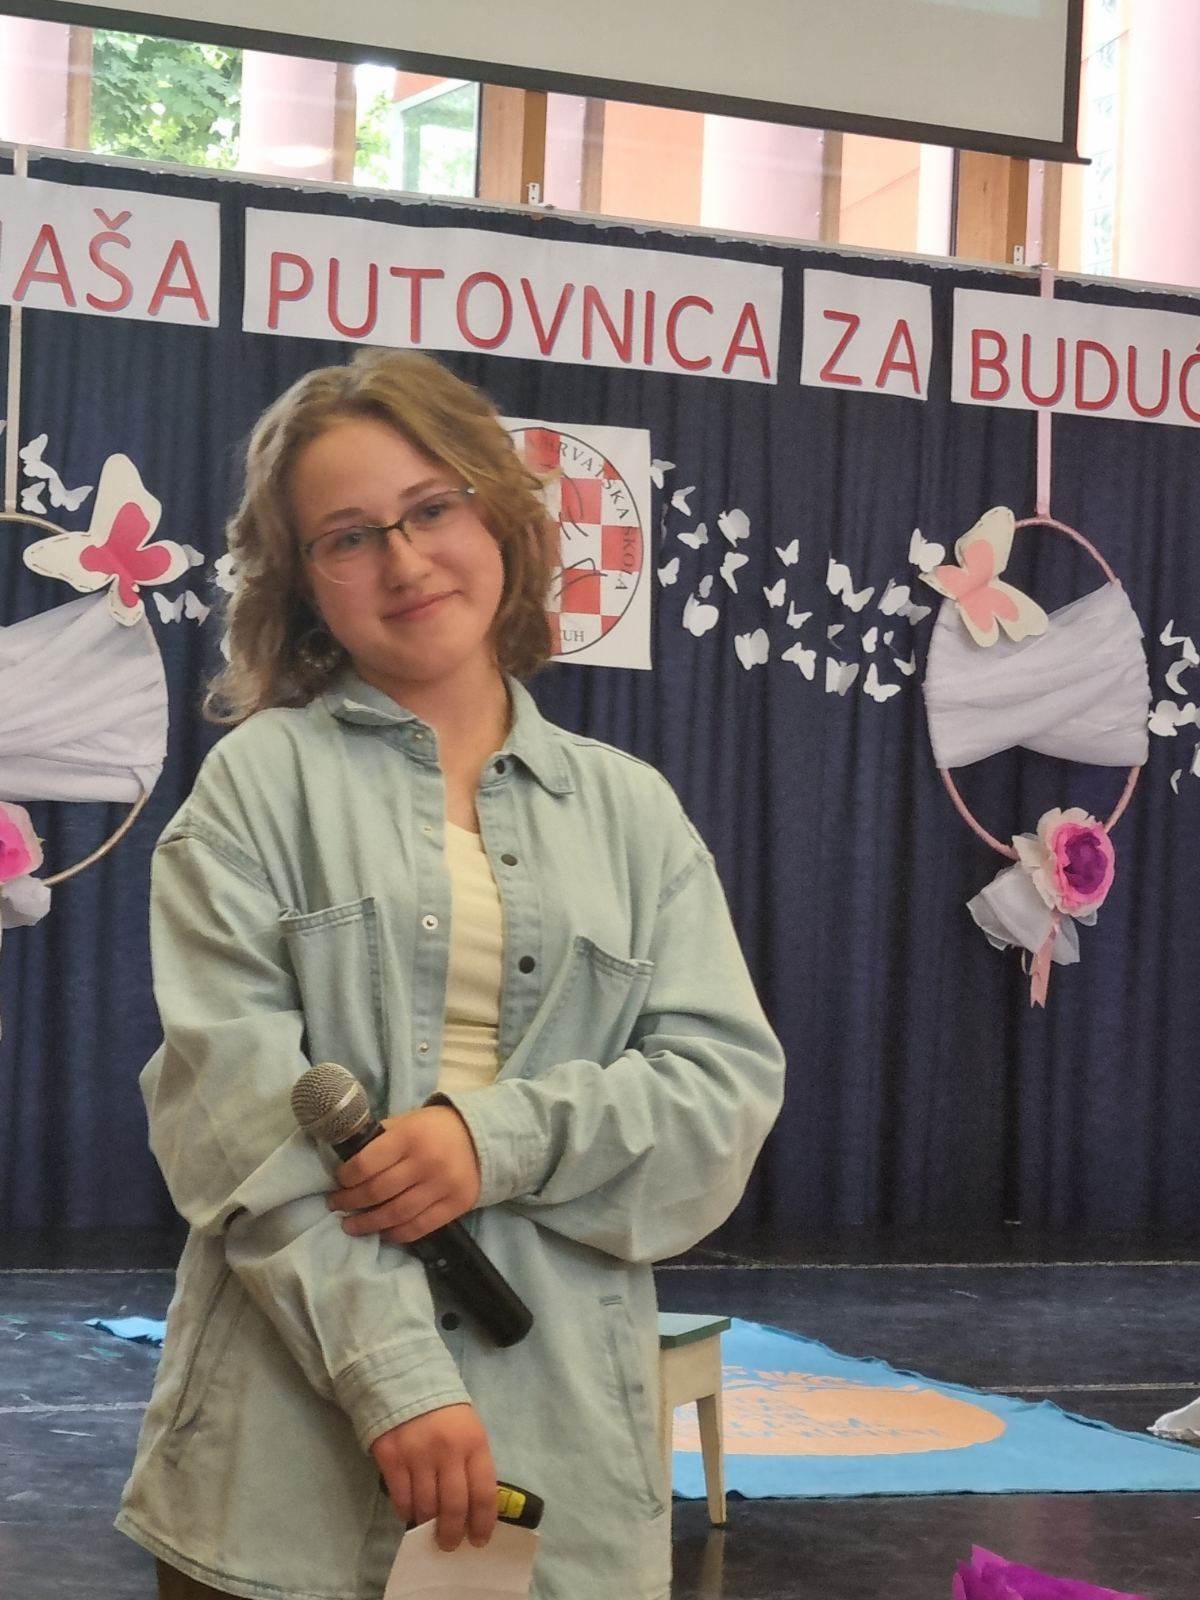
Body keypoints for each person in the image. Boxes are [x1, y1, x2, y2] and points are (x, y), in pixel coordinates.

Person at [116, 348, 785, 1600]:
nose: (406, 559)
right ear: (302, 581)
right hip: (280, 1477)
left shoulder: (635, 812)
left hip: (564, 1471)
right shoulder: (257, 786)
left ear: (499, 514)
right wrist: (398, 1382)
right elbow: (236, 1125)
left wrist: (494, 1140)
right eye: (349, 536)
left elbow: (720, 1095)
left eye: (432, 508)